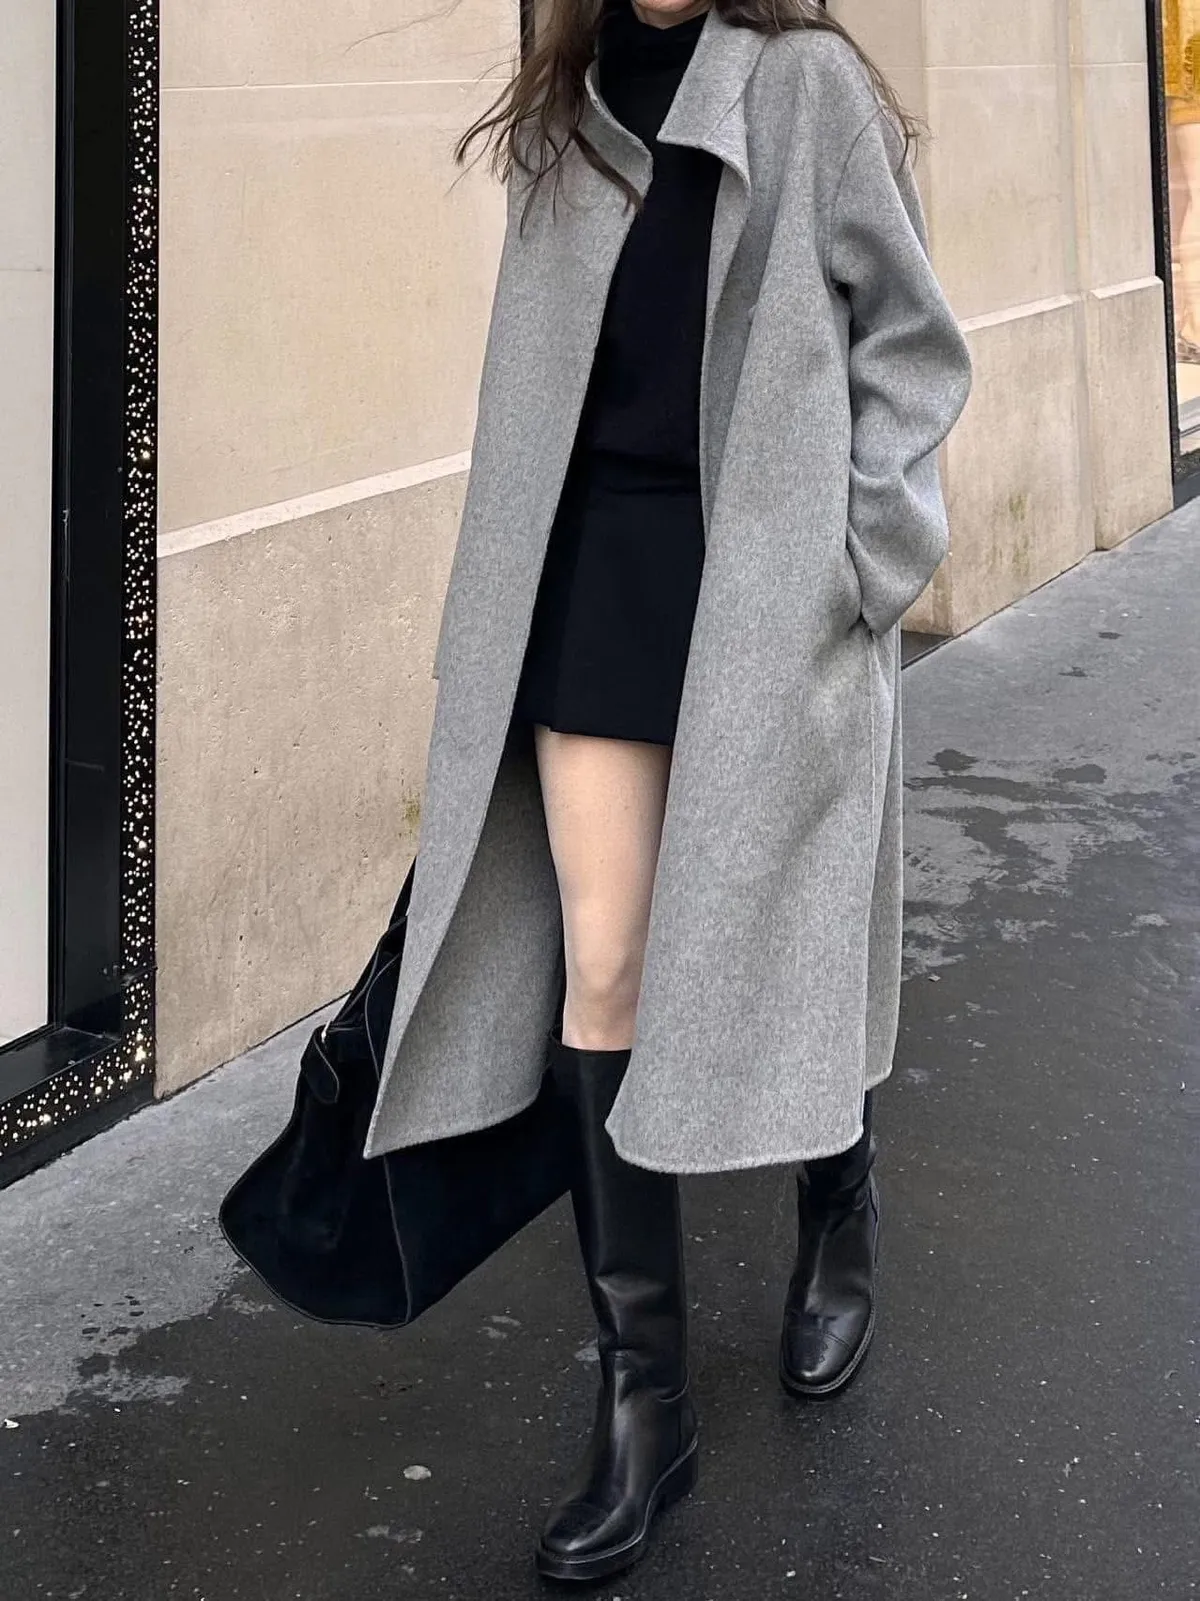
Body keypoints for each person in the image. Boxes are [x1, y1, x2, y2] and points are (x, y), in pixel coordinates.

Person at [362, 0, 971, 1582]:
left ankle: (838, 1195)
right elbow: (527, 377)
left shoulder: (806, 86)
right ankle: (647, 1410)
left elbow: (913, 341)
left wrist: (867, 564)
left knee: (778, 932)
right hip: (596, 586)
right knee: (609, 967)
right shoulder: (562, 107)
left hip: (766, 595)